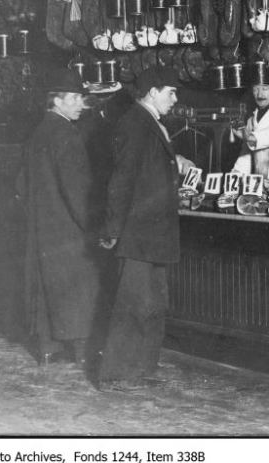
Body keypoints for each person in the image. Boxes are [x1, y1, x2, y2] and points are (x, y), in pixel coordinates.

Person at [96, 66, 195, 391]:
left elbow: (145, 167)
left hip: (153, 234)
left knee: (152, 304)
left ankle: (141, 369)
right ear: (152, 91)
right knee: (132, 305)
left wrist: (173, 163)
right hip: (138, 233)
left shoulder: (149, 122)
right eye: (171, 91)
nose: (175, 98)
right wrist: (112, 229)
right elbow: (121, 180)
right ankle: (115, 375)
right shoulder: (136, 122)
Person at [16, 69, 102, 368]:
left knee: (45, 286)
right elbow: (78, 191)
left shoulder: (38, 132)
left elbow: (21, 187)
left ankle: (47, 348)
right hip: (69, 230)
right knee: (79, 287)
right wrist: (94, 225)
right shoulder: (67, 134)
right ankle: (80, 350)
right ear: (57, 100)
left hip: (42, 228)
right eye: (76, 98)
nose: (82, 104)